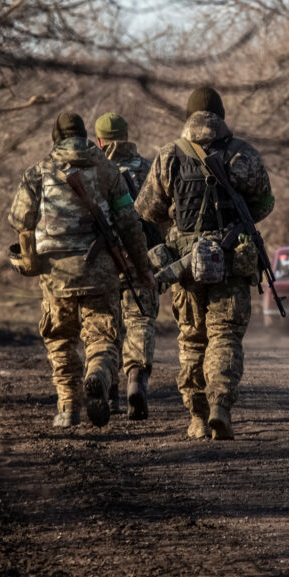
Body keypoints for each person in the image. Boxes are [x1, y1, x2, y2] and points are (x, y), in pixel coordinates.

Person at [134, 87, 274, 440]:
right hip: (231, 263)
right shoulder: (244, 154)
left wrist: (179, 227)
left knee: (193, 341)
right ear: (221, 115)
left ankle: (196, 417)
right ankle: (220, 407)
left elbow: (147, 210)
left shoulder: (169, 155)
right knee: (225, 336)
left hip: (185, 266)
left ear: (189, 116)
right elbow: (264, 204)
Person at [8, 112, 155, 428]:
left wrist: (30, 261)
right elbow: (130, 223)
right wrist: (142, 269)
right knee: (103, 336)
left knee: (60, 339)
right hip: (100, 273)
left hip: (55, 275)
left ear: (55, 138)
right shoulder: (106, 169)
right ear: (85, 135)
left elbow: (20, 221)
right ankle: (99, 374)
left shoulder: (38, 172)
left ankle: (69, 408)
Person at [94, 112, 161, 420]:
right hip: (141, 257)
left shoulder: (94, 171)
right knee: (140, 320)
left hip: (103, 260)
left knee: (106, 326)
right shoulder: (149, 167)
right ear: (127, 135)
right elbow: (164, 216)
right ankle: (136, 378)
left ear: (99, 140)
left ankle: (108, 391)